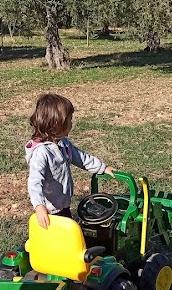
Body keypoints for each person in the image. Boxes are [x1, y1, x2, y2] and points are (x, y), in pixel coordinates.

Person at [25, 93, 114, 228]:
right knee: (58, 241)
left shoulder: (63, 144)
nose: (71, 123)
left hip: (63, 204)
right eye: (69, 120)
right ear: (56, 123)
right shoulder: (42, 152)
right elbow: (34, 182)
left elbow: (81, 158)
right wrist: (39, 206)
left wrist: (102, 167)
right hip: (49, 211)